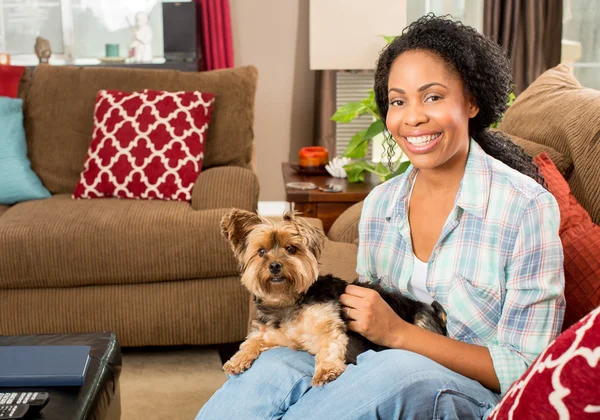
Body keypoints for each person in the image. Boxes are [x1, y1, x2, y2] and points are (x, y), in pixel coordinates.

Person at [196, 14, 565, 419]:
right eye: (398, 101)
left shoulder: (525, 208)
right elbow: (361, 327)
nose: (412, 118)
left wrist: (399, 334)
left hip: (471, 392)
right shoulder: (381, 206)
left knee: (397, 367)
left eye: (433, 97)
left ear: (472, 101)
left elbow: (527, 366)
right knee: (275, 366)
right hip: (374, 364)